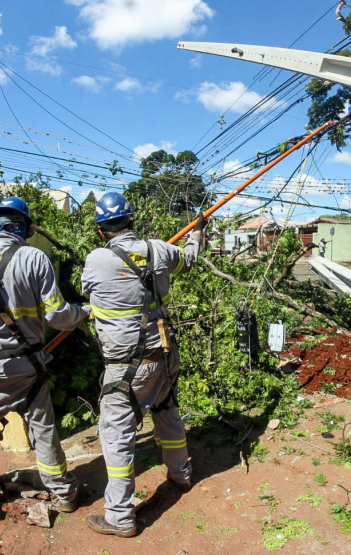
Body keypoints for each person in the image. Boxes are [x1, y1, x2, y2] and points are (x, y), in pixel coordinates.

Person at [0, 197, 89, 515]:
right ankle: (64, 493)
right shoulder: (33, 258)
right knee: (43, 431)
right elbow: (58, 317)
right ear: (24, 228)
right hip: (28, 369)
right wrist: (83, 312)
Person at [81, 192, 204, 538]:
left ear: (102, 231)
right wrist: (196, 232)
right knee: (167, 412)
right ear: (132, 221)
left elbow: (91, 293)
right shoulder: (160, 249)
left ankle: (119, 517)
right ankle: (181, 475)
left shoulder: (96, 260)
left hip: (124, 368)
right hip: (164, 356)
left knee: (117, 435)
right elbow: (190, 259)